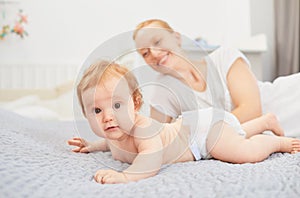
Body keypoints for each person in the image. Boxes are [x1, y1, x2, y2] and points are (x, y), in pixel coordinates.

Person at [68, 60, 300, 184]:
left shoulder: (143, 130)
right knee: (234, 133)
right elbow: (110, 143)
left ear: (136, 104)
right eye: (97, 110)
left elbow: (150, 161)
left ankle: (277, 143)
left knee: (242, 151)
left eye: (117, 105)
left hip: (201, 134)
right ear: (85, 114)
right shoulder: (116, 132)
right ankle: (265, 121)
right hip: (200, 128)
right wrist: (92, 145)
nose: (108, 117)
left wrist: (126, 176)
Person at [133, 19, 300, 137]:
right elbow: (154, 138)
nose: (154, 54)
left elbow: (252, 110)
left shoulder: (223, 57)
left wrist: (204, 133)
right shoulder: (163, 92)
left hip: (290, 99)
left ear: (176, 37)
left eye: (157, 41)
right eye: (145, 53)